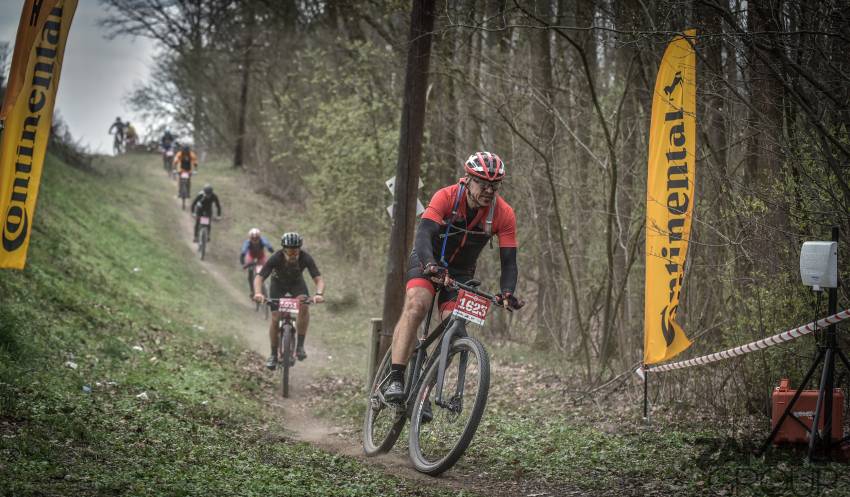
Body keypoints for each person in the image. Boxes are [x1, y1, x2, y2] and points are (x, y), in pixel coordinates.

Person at [383, 152, 523, 402]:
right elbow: (424, 235)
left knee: (454, 329)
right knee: (416, 306)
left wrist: (508, 291)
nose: (489, 191)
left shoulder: (504, 214)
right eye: (483, 183)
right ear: (468, 179)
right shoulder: (446, 196)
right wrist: (431, 266)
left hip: (461, 272)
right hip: (428, 259)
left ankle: (424, 389)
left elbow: (509, 261)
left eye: (494, 185)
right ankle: (396, 377)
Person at [253, 232, 325, 369]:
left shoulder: (305, 258)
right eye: (290, 251)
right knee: (275, 318)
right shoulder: (276, 257)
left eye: (296, 250)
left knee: (304, 305)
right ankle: (273, 355)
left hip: (296, 284)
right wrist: (258, 293)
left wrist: (319, 294)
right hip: (278, 285)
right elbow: (259, 277)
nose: (293, 254)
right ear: (284, 249)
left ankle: (300, 347)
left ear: (299, 249)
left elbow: (318, 279)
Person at [240, 228, 275, 295]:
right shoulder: (247, 242)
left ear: (259, 237)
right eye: (253, 238)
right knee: (250, 272)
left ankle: (267, 285)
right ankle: (252, 290)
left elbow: (268, 245)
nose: (255, 240)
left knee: (267, 268)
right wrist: (243, 263)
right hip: (251, 258)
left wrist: (271, 250)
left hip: (261, 257)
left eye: (256, 238)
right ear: (250, 238)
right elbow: (243, 252)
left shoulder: (262, 240)